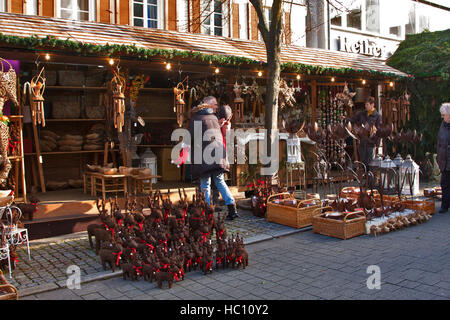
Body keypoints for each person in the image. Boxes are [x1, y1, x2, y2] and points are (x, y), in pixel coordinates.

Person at [188, 96, 238, 220]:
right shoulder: (214, 118)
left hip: (205, 157)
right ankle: (232, 209)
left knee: (205, 183)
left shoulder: (196, 119)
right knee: (220, 181)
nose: (216, 107)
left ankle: (207, 212)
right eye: (214, 105)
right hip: (219, 154)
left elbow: (190, 138)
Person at [348, 96, 382, 168]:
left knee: (370, 163)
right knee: (363, 163)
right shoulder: (362, 114)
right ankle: (364, 177)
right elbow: (353, 120)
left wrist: (377, 143)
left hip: (371, 143)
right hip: (362, 142)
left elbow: (379, 130)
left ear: (372, 105)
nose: (365, 106)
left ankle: (370, 178)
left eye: (367, 105)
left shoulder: (377, 116)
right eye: (365, 105)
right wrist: (345, 118)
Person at [437, 102, 450, 213]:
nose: (442, 116)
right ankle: (444, 205)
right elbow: (439, 143)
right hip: (444, 160)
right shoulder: (443, 125)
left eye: (443, 114)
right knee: (444, 183)